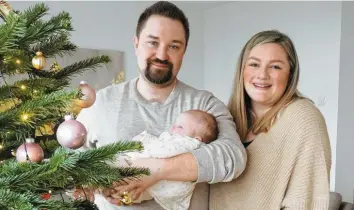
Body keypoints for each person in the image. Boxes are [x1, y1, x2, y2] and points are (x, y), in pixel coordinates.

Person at [75, 1, 247, 210]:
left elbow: (233, 158)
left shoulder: (205, 105)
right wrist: (96, 185)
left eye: (174, 46)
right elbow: (72, 162)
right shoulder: (101, 102)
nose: (162, 55)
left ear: (184, 51)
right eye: (153, 42)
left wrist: (155, 170)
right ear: (136, 43)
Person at [209, 30, 332, 210]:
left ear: (290, 74)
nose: (262, 75)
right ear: (242, 70)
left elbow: (306, 200)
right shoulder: (226, 120)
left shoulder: (304, 118)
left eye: (275, 67)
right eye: (254, 64)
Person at [108, 110, 219, 210]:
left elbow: (161, 151)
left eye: (180, 127)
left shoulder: (187, 144)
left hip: (159, 180)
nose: (173, 128)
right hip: (154, 188)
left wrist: (144, 142)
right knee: (134, 191)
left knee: (118, 166)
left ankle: (113, 191)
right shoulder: (180, 142)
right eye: (174, 125)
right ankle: (118, 195)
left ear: (196, 139)